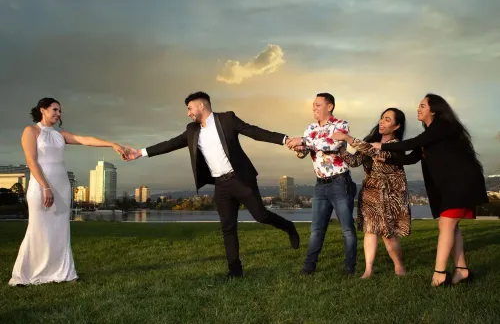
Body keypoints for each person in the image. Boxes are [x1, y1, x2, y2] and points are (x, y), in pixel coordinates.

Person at [122, 91, 301, 278]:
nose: (188, 113)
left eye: (190, 108)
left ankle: (288, 226)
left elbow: (254, 131)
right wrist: (139, 153)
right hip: (221, 185)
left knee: (261, 216)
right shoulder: (192, 130)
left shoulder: (227, 119)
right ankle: (235, 271)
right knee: (228, 227)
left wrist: (284, 139)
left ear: (201, 105)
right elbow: (170, 144)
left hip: (240, 179)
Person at [372, 94, 489, 286]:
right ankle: (461, 270)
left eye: (423, 106)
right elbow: (411, 157)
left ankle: (440, 274)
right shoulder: (431, 132)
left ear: (433, 110)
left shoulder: (442, 126)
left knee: (446, 225)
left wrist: (381, 145)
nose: (418, 109)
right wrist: (387, 158)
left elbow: (412, 143)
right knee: (452, 226)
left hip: (460, 183)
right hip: (449, 186)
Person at [9, 97, 126, 286]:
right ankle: (25, 275)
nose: (58, 114)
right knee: (38, 229)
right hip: (41, 186)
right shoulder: (31, 131)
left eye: (60, 111)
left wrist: (112, 144)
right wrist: (45, 187)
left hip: (62, 187)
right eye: (54, 109)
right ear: (42, 110)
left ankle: (63, 273)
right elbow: (31, 161)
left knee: (60, 231)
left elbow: (85, 140)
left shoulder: (60, 135)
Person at [331, 108, 411, 279]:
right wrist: (341, 149)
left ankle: (399, 266)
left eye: (387, 119)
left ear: (397, 126)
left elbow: (376, 152)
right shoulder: (370, 141)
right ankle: (368, 270)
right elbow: (354, 161)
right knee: (370, 230)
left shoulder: (395, 145)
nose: (382, 122)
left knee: (388, 234)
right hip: (370, 192)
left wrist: (347, 138)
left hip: (389, 194)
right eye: (382, 118)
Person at [287, 93, 357, 275]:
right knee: (316, 229)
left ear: (330, 106)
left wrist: (304, 141)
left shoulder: (340, 124)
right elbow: (305, 152)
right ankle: (309, 267)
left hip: (340, 182)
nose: (314, 108)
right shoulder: (310, 128)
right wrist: (298, 148)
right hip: (320, 185)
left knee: (347, 229)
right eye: (313, 105)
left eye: (318, 105)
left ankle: (350, 267)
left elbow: (332, 144)